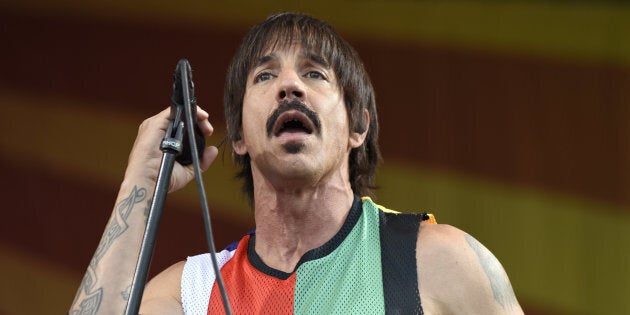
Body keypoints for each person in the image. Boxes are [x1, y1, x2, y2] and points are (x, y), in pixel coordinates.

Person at [70, 12, 523, 314]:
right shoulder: (189, 292)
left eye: (315, 73)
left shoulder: (440, 260)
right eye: (265, 75)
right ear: (240, 136)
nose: (290, 86)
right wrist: (141, 183)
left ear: (357, 127)